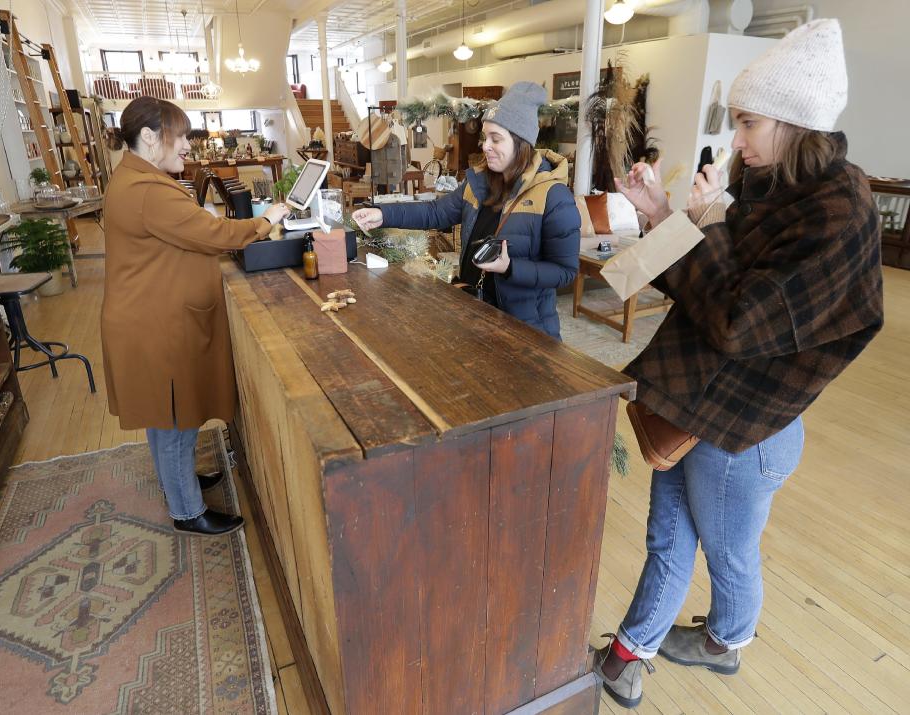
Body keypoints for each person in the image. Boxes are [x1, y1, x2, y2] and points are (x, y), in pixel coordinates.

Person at [594, 19, 884, 708]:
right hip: (702, 403)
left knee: (727, 556)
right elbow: (703, 285)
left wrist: (710, 224)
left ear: (793, 122)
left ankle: (728, 640)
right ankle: (628, 655)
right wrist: (667, 214)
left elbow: (737, 322)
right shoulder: (766, 182)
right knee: (667, 535)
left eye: (749, 123)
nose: (737, 139)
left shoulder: (840, 210)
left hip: (748, 428)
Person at [101, 97, 289, 536]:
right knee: (173, 416)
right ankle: (186, 510)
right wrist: (267, 220)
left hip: (148, 315)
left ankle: (177, 479)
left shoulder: (136, 177)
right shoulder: (145, 191)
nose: (188, 145)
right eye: (181, 136)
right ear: (150, 137)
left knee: (165, 413)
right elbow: (213, 233)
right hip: (154, 323)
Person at [353, 82, 580, 340]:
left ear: (521, 143)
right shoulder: (479, 184)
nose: (485, 146)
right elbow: (435, 212)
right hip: (477, 316)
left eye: (496, 139)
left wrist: (510, 267)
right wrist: (383, 214)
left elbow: (565, 272)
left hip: (526, 331)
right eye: (486, 137)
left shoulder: (554, 197)